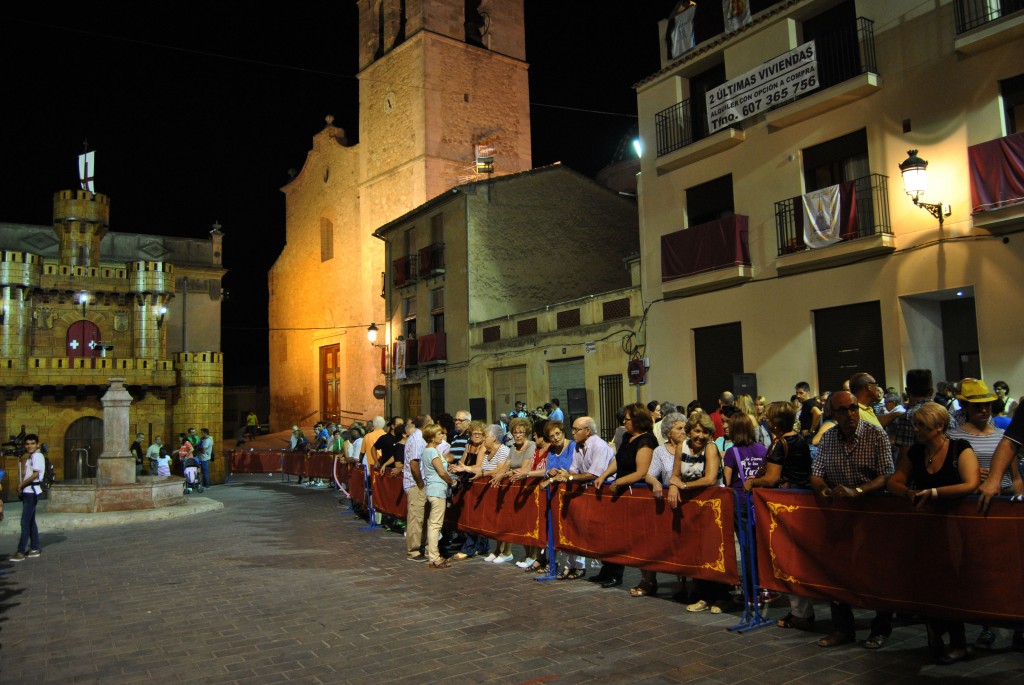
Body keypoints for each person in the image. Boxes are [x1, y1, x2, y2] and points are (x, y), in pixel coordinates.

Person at [886, 402, 979, 664]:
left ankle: (958, 642)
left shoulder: (959, 448)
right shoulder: (916, 452)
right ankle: (935, 633)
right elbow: (895, 481)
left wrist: (934, 493)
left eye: (921, 426)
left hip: (957, 526)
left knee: (953, 583)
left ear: (939, 427)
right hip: (927, 529)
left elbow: (971, 483)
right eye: (915, 424)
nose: (915, 430)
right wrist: (909, 493)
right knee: (930, 582)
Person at [810, 390, 894, 649]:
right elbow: (816, 472)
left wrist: (858, 490)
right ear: (832, 414)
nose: (850, 415)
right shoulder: (829, 438)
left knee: (876, 573)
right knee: (838, 571)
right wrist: (822, 489)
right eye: (843, 410)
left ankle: (880, 628)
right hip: (841, 515)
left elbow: (887, 475)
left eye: (854, 408)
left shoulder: (875, 434)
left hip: (872, 512)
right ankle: (842, 628)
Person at [595, 403, 658, 590]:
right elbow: (618, 460)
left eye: (628, 419)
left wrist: (618, 483)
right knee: (619, 535)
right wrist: (604, 475)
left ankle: (648, 579)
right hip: (623, 496)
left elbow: (642, 472)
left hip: (639, 496)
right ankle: (613, 571)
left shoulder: (646, 441)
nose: (624, 422)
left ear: (638, 420)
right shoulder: (627, 437)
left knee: (642, 539)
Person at [547, 416, 614, 580]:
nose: (573, 432)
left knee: (603, 534)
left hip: (603, 493)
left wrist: (569, 478)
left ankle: (612, 573)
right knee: (584, 529)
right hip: (587, 492)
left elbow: (593, 473)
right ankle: (601, 571)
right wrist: (564, 474)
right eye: (573, 429)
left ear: (587, 431)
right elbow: (574, 469)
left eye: (576, 429)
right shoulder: (578, 446)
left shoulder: (599, 446)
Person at [510, 419, 550, 572]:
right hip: (535, 493)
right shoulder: (537, 450)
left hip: (546, 492)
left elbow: (547, 468)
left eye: (536, 436)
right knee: (535, 525)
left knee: (547, 528)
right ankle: (540, 558)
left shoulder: (550, 450)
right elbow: (530, 466)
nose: (534, 439)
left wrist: (527, 473)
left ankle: (548, 560)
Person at [422, 423, 456, 569]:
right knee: (435, 524)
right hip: (437, 489)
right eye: (439, 434)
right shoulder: (432, 452)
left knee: (432, 523)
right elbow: (441, 472)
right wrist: (452, 481)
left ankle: (432, 553)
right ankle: (434, 557)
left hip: (433, 489)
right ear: (432, 437)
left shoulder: (428, 451)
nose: (442, 436)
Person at [11, 434, 45, 562]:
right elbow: (27, 474)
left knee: (24, 522)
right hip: (29, 491)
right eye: (27, 444)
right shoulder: (31, 456)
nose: (29, 446)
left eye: (32, 443)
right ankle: (34, 549)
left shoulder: (37, 456)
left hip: (31, 492)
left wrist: (21, 484)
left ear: (37, 444)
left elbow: (35, 475)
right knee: (30, 521)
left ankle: (20, 551)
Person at [403, 415, 429, 562]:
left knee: (422, 518)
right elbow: (414, 463)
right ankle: (413, 551)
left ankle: (421, 547)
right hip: (416, 484)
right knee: (416, 518)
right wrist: (420, 484)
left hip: (419, 483)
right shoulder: (417, 440)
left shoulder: (419, 438)